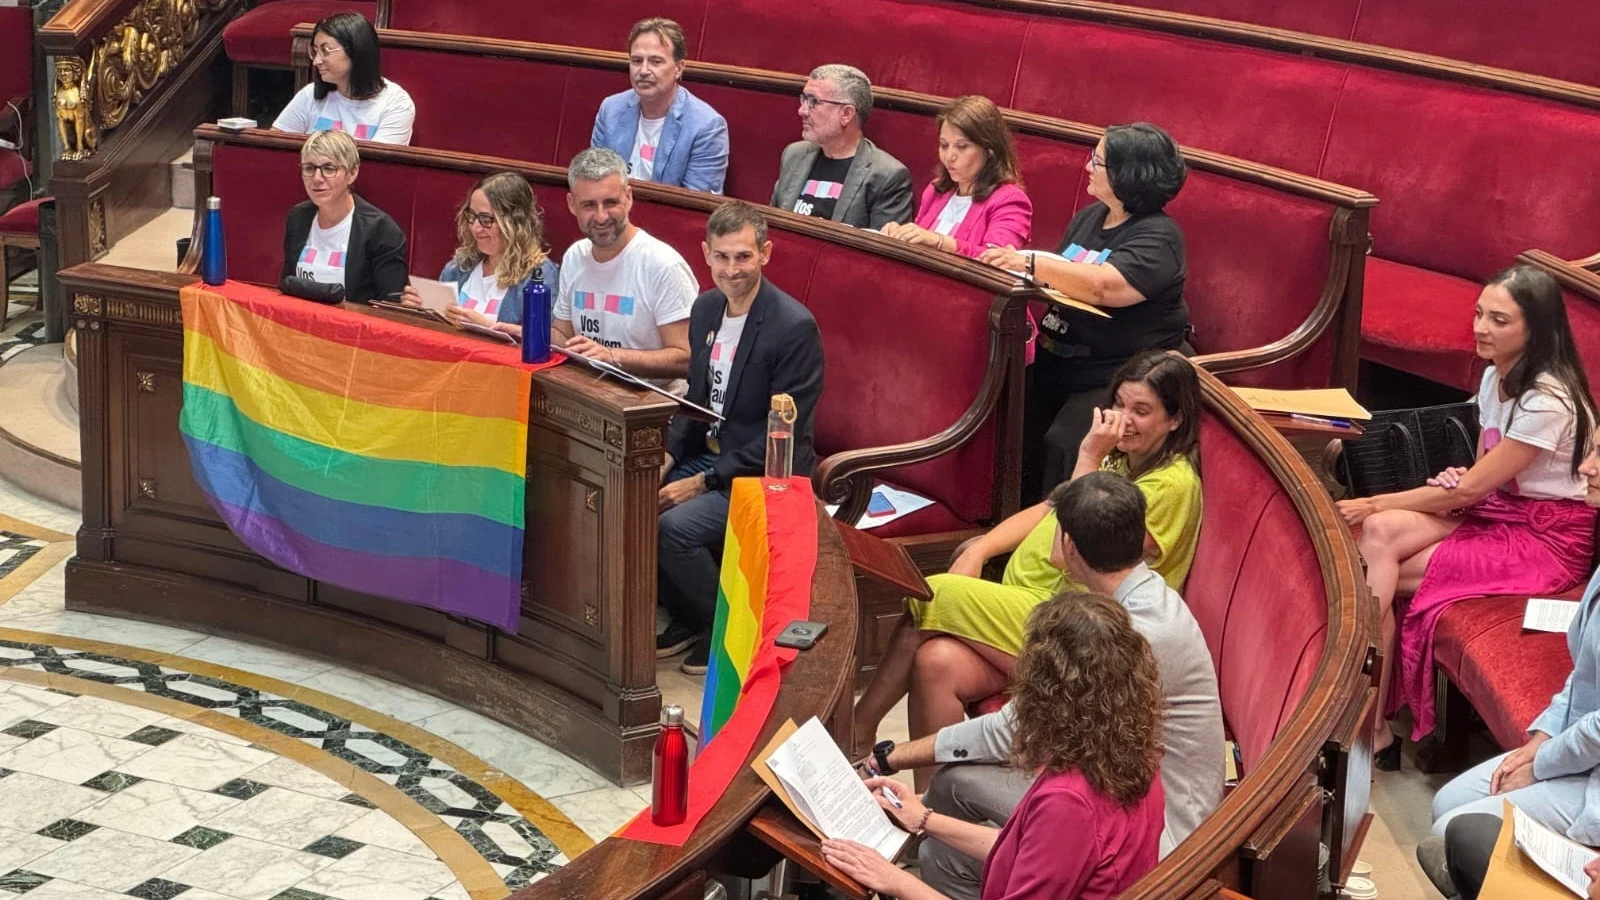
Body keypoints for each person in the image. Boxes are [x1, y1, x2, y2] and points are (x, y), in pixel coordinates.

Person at [863, 473, 1219, 900]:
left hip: (1166, 837)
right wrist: (920, 814)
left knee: (949, 814)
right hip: (1130, 795)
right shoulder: (1141, 607)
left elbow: (1008, 732)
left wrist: (889, 762)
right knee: (948, 810)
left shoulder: (1121, 640)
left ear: (1067, 544)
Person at [852, 351, 1203, 767]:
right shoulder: (1122, 457)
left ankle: (856, 732)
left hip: (1082, 631)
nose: (1122, 420)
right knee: (936, 662)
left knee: (934, 594)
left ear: (1175, 419)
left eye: (1141, 411)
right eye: (1119, 405)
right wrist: (981, 548)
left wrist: (1088, 454)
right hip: (1036, 606)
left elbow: (1066, 551)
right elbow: (1051, 507)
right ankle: (927, 806)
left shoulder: (1172, 484)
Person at [1338, 265, 1598, 768]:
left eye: (1499, 320)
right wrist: (1456, 480)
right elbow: (1483, 470)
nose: (1481, 328)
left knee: (1375, 554)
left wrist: (1376, 499)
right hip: (1503, 509)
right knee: (1378, 535)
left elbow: (1481, 483)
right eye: (1479, 314)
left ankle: (1364, 719)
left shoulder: (1548, 398)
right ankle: (1369, 721)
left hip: (1547, 538)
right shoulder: (1492, 373)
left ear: (1537, 331)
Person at [823, 593, 1166, 900]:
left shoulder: (1068, 801)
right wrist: (923, 818)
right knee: (936, 855)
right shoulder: (1129, 751)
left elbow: (1047, 842)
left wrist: (894, 880)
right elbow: (1027, 846)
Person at [1416, 422, 1600, 897]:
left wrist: (1541, 765)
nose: (1586, 468)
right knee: (1449, 803)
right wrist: (1537, 740)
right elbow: (1584, 677)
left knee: (1458, 832)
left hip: (1593, 775)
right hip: (1579, 751)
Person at [655, 201, 825, 674]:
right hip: (707, 457)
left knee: (673, 529)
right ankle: (689, 616)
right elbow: (695, 395)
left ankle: (727, 628)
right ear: (706, 254)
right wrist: (669, 455)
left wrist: (702, 482)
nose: (732, 270)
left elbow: (782, 431)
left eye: (743, 257)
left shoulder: (793, 327)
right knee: (633, 502)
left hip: (763, 472)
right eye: (723, 257)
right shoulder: (706, 307)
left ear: (765, 253)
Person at [979, 123, 1189, 503]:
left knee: (1065, 441)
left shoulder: (1159, 236)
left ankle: (1057, 541)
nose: (1087, 165)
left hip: (1111, 375)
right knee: (1001, 419)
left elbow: (1103, 287)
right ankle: (1003, 525)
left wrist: (1028, 262)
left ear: (1129, 173)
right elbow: (1063, 278)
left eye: (1098, 160)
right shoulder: (1092, 216)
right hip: (1055, 360)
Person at [552, 147, 696, 390]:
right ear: (571, 204)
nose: (600, 216)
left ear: (629, 197)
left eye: (610, 203)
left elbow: (686, 357)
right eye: (589, 205)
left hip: (652, 399)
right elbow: (562, 335)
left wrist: (613, 356)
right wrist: (526, 336)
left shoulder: (662, 264)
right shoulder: (574, 256)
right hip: (587, 391)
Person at [400, 172, 559, 338]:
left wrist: (487, 328)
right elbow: (438, 331)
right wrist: (419, 311)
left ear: (514, 223)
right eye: (472, 216)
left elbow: (543, 340)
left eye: (486, 219)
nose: (475, 228)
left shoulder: (540, 274)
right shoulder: (459, 267)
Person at [881, 95, 1031, 259]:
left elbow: (996, 260)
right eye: (944, 145)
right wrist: (899, 236)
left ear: (989, 151)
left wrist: (939, 242)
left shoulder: (1009, 201)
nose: (949, 156)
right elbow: (919, 243)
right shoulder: (936, 190)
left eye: (962, 146)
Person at [590, 18, 729, 193]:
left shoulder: (707, 126)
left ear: (678, 68)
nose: (643, 71)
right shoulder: (611, 109)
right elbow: (594, 180)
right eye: (637, 61)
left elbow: (695, 206)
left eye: (656, 62)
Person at [770, 64, 913, 230]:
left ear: (846, 114)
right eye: (804, 99)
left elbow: (883, 250)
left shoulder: (886, 176)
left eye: (813, 102)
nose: (802, 110)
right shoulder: (794, 155)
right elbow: (773, 226)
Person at [280, 130, 407, 303]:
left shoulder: (381, 229)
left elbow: (391, 305)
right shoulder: (298, 217)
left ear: (352, 173)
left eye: (329, 168)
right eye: (309, 168)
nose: (317, 178)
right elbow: (288, 285)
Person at [272, 12, 415, 145]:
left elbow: (380, 166)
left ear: (356, 51)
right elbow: (275, 147)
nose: (316, 61)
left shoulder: (396, 104)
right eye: (314, 51)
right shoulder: (310, 95)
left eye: (325, 50)